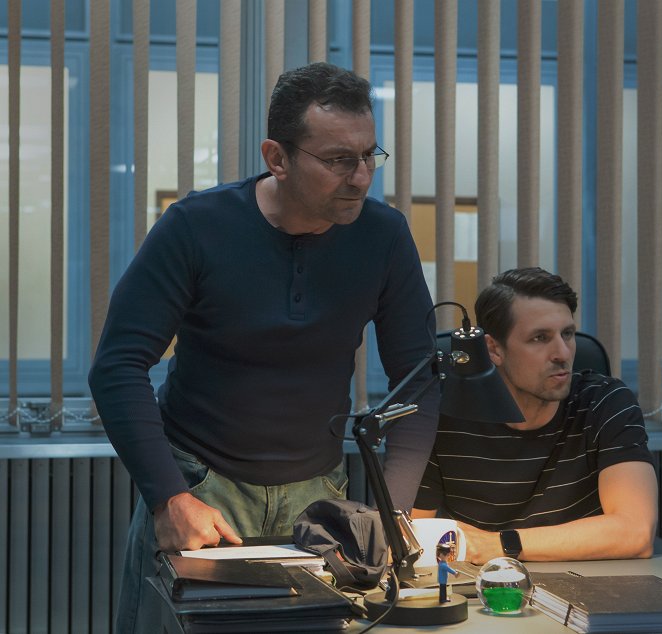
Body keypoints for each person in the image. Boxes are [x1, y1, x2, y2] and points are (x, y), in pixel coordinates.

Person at [89, 62, 438, 633]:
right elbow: (117, 366)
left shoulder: (385, 235)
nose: (360, 178)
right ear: (277, 157)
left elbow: (418, 380)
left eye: (368, 156)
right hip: (203, 490)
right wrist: (167, 497)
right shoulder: (195, 227)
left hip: (319, 497)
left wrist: (391, 511)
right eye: (338, 160)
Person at [412, 267, 658, 563]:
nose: (562, 354)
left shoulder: (605, 402)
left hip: (587, 579)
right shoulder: (445, 413)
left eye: (567, 334)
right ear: (493, 349)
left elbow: (635, 532)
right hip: (481, 583)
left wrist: (497, 544)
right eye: (540, 338)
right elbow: (409, 536)